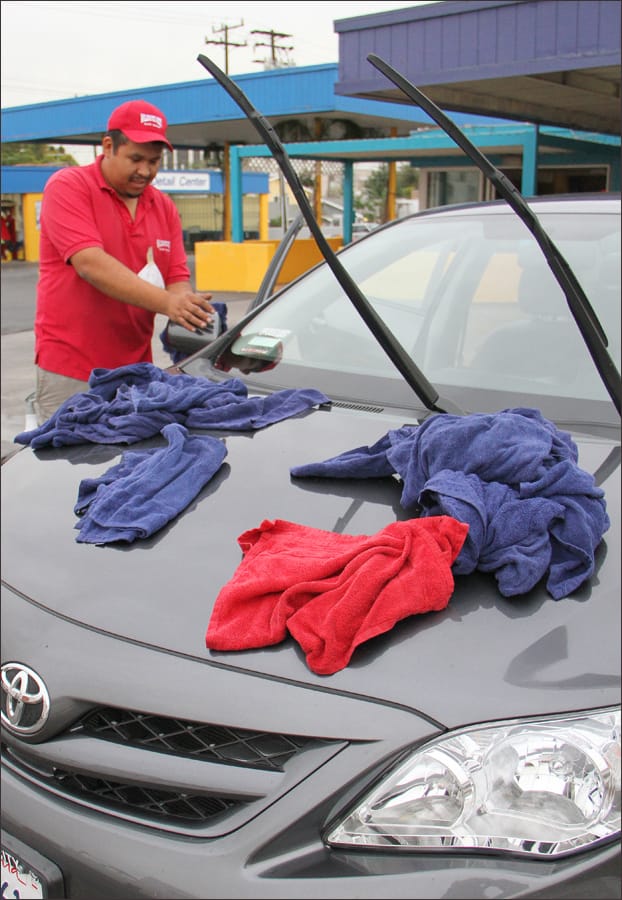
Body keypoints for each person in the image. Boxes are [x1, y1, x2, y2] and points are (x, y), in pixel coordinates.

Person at [33, 99, 215, 423]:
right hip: (73, 371)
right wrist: (169, 304)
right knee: (64, 467)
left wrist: (188, 307)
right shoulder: (69, 187)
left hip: (135, 372)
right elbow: (90, 264)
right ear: (108, 146)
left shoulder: (163, 207)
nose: (145, 171)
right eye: (135, 158)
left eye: (154, 161)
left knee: (127, 466)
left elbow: (176, 276)